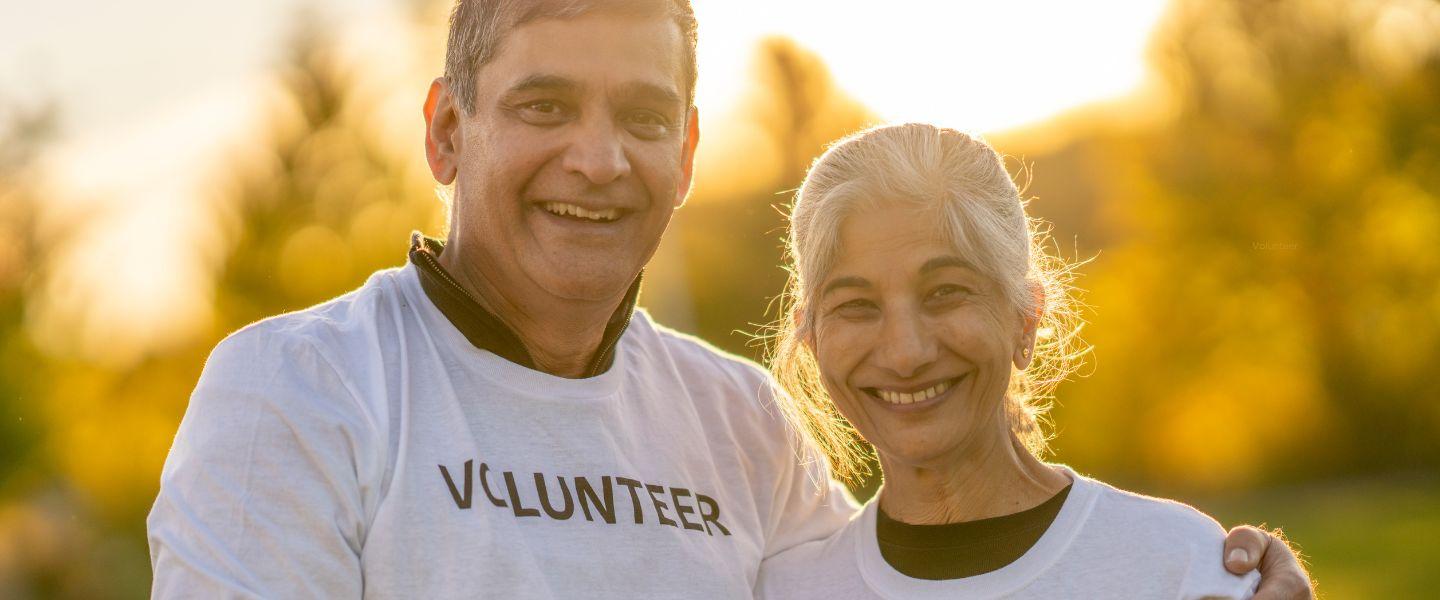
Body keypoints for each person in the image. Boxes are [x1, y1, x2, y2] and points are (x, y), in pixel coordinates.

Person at [146, 1, 1312, 598]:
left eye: (643, 119)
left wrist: (1197, 574)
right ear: (450, 133)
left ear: (691, 151)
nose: (599, 161)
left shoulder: (742, 423)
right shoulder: (298, 390)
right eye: (546, 107)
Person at [755, 123, 1302, 599]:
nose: (906, 353)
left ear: (1025, 317)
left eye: (945, 292)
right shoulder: (782, 592)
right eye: (856, 306)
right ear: (811, 336)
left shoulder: (1180, 562)